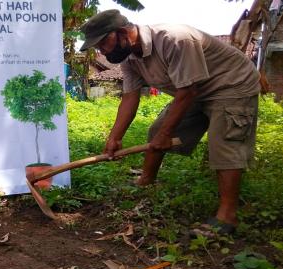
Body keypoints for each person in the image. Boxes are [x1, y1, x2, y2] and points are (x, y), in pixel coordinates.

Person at [79, 10, 261, 234]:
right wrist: (114, 137)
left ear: (123, 32)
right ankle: (146, 180)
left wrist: (166, 135)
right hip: (194, 90)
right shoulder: (129, 58)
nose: (102, 51)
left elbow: (188, 90)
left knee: (224, 145)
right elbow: (130, 97)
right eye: (98, 47)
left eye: (103, 43)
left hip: (231, 85)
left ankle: (227, 217)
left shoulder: (174, 39)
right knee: (157, 130)